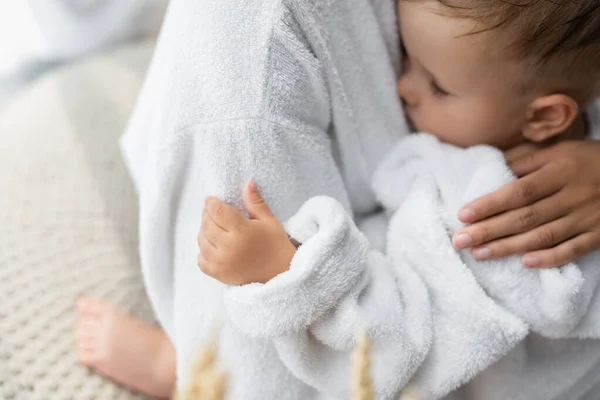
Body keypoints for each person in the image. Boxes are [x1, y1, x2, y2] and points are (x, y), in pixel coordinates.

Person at [74, 0, 600, 398]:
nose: (404, 88)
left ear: (545, 116)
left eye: (436, 84)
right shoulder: (516, 151)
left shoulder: (499, 219)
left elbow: (406, 347)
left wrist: (292, 272)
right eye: (407, 59)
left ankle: (195, 372)